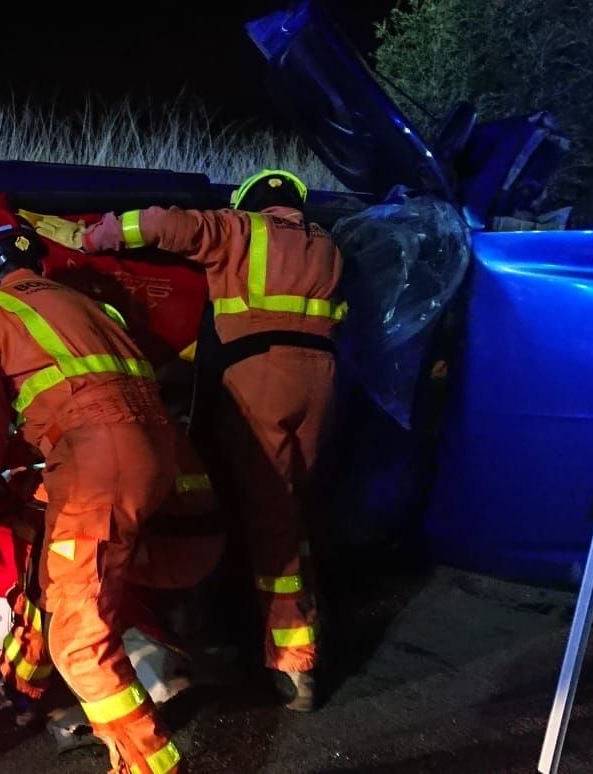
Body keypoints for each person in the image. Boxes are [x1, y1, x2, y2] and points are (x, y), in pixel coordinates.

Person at [82, 168, 345, 711]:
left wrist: (98, 236)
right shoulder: (328, 245)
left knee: (270, 515)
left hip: (259, 375)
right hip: (320, 381)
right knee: (292, 508)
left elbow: (160, 225)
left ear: (250, 202)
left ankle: (294, 665)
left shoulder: (241, 228)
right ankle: (289, 642)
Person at [0, 210, 182, 774]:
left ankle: (153, 763)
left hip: (97, 464)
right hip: (151, 454)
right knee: (52, 572)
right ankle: (19, 687)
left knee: (80, 640)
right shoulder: (89, 306)